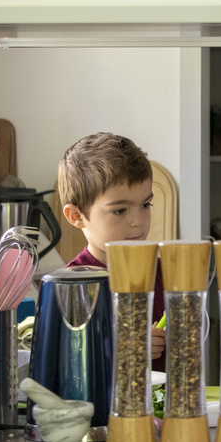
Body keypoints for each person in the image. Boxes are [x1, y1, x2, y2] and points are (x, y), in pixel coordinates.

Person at [56, 132, 166, 370]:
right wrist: (128, 350)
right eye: (119, 211)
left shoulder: (163, 274)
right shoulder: (71, 286)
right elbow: (68, 364)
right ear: (77, 216)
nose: (138, 221)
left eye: (145, 205)